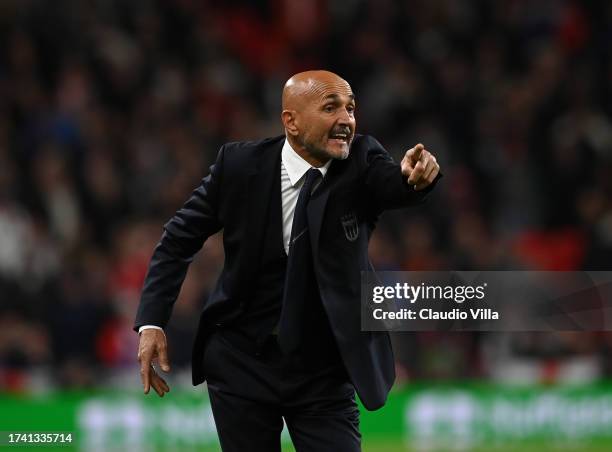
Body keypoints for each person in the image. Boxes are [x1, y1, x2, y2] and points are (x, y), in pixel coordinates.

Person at [134, 70, 441, 451]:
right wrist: (151, 322)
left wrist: (415, 178)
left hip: (323, 370)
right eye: (331, 108)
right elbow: (178, 239)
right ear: (291, 121)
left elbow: (394, 182)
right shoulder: (239, 166)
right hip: (241, 360)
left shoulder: (361, 160)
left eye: (350, 108)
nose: (346, 120)